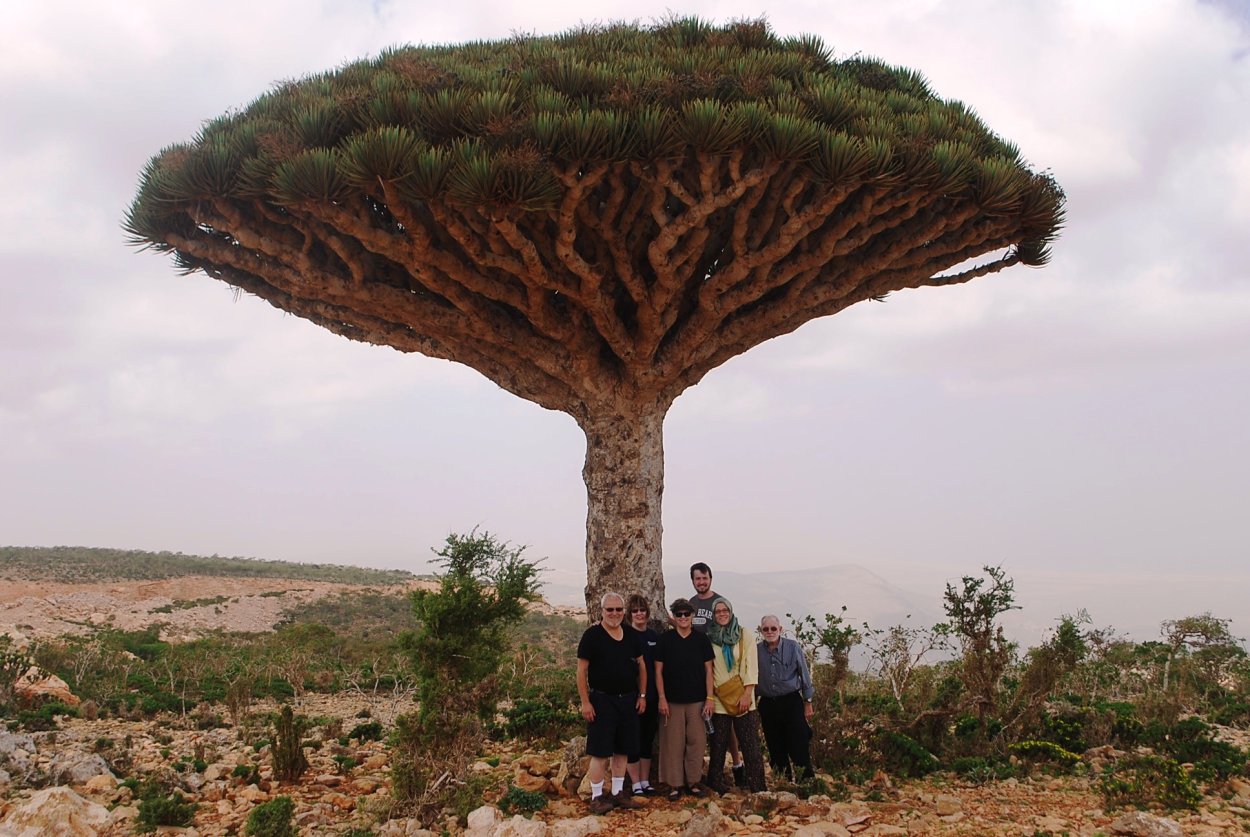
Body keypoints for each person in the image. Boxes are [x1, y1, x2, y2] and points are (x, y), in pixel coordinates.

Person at [576, 591, 647, 814]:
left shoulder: (630, 635)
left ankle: (617, 793)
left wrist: (642, 695)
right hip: (601, 700)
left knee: (622, 750)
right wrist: (585, 702)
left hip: (628, 700)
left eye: (618, 609)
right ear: (602, 611)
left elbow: (641, 666)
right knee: (600, 752)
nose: (614, 613)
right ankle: (596, 796)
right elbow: (581, 671)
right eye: (610, 609)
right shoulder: (592, 636)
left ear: (623, 611)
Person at [689, 562, 745, 785]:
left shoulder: (719, 603)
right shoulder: (691, 604)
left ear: (710, 579)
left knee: (725, 720)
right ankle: (709, 767)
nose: (701, 582)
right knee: (706, 720)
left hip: (720, 668)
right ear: (693, 581)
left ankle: (737, 762)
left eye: (704, 578)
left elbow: (730, 630)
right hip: (699, 668)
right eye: (697, 579)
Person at [654, 597, 715, 801]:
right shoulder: (665, 640)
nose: (682, 617)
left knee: (697, 742)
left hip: (697, 701)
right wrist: (661, 698)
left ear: (692, 616)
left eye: (686, 614)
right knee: (672, 744)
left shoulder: (701, 640)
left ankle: (694, 781)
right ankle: (674, 784)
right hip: (672, 701)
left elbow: (709, 671)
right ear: (674, 616)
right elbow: (658, 671)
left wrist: (710, 698)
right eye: (678, 614)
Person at [706, 596, 767, 793]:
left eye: (725, 610)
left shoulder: (743, 634)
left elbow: (751, 665)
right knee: (718, 744)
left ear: (731, 612)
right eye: (718, 611)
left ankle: (758, 787)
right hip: (719, 697)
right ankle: (715, 784)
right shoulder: (710, 636)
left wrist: (748, 693)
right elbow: (709, 668)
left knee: (750, 744)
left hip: (743, 695)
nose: (722, 614)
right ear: (713, 614)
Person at [756, 614, 815, 781]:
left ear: (780, 629)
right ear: (761, 631)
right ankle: (783, 783)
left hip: (791, 702)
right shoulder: (756, 651)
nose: (769, 632)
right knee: (775, 746)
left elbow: (804, 674)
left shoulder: (792, 647)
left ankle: (806, 783)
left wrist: (808, 702)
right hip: (768, 704)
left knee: (799, 744)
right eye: (766, 629)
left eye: (773, 628)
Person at [625, 594, 660, 796]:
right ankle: (635, 782)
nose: (639, 614)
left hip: (653, 696)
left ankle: (645, 781)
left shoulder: (653, 636)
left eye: (642, 610)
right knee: (633, 739)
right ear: (630, 614)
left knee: (647, 738)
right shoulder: (625, 636)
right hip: (632, 697)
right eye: (635, 611)